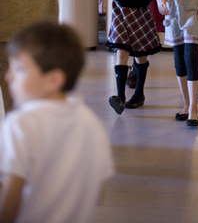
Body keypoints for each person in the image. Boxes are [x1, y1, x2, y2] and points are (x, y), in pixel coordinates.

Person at [0, 20, 114, 223]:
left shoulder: (19, 123)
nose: (8, 76)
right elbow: (98, 193)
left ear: (53, 80)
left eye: (19, 69)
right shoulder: (90, 122)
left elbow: (11, 196)